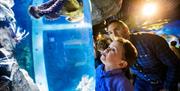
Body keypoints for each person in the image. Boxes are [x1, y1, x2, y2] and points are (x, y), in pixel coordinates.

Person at [106, 19, 180, 91]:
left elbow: (174, 65)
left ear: (126, 29)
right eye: (110, 33)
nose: (114, 35)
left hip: (163, 81)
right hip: (141, 82)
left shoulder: (151, 41)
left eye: (116, 29)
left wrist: (167, 87)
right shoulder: (117, 50)